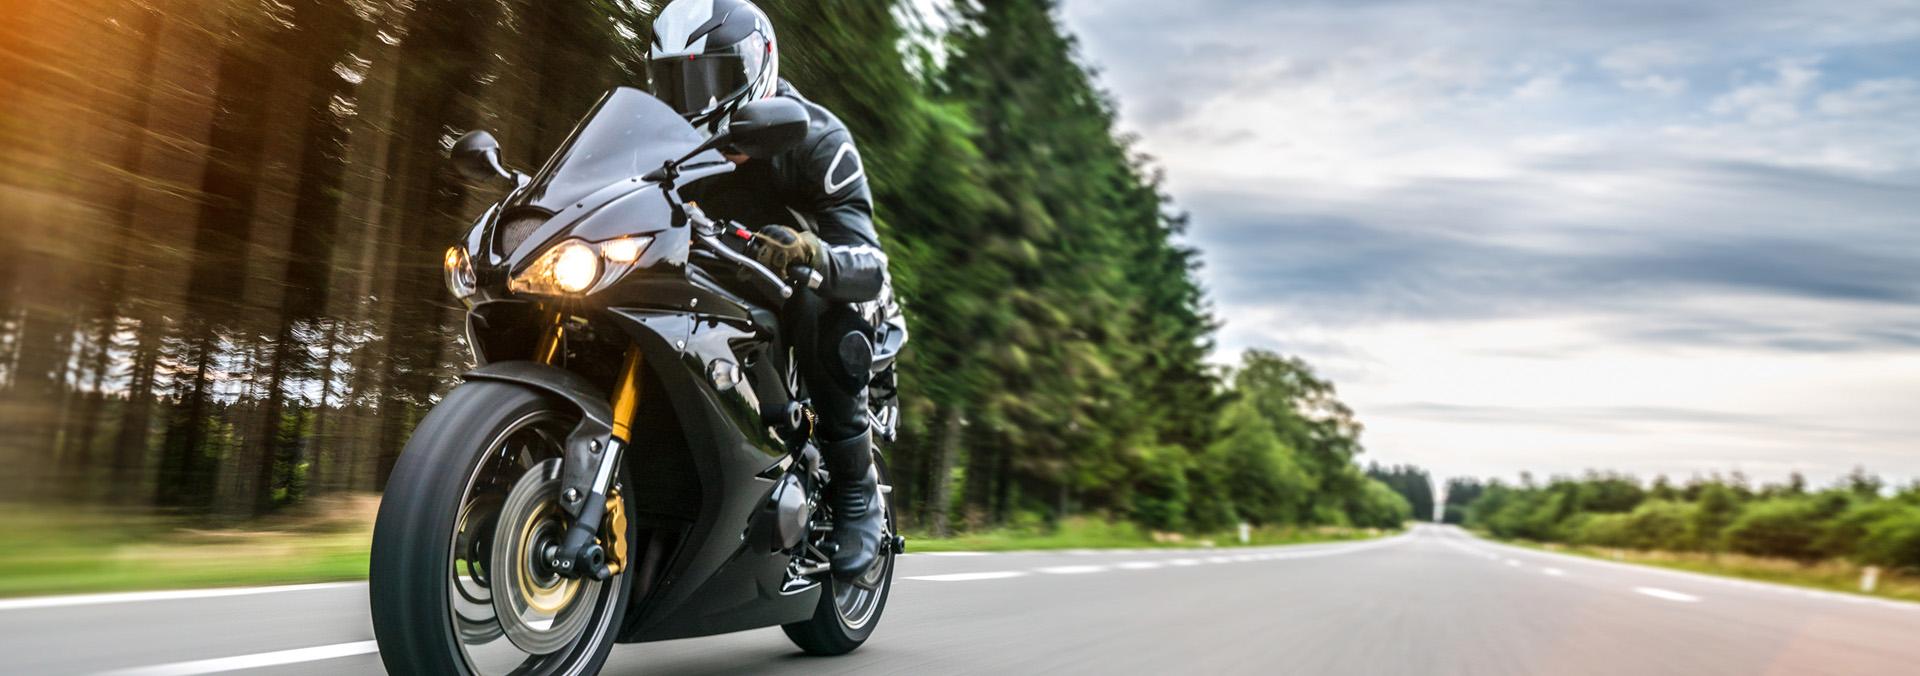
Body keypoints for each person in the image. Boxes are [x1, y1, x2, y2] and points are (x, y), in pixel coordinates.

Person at [646, 0, 895, 581]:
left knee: (823, 304)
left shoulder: (818, 141)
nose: (693, 101)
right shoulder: (662, 142)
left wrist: (810, 253)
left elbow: (871, 265)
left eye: (709, 79)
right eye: (675, 81)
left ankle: (856, 495)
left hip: (799, 292)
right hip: (704, 277)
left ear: (755, 69)